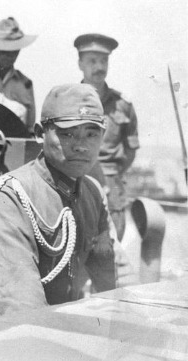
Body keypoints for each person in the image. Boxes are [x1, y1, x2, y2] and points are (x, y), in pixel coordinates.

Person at [0, 83, 116, 322]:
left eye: (91, 134)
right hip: (5, 335)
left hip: (61, 326)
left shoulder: (92, 193)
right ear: (40, 133)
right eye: (67, 134)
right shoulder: (12, 194)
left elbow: (111, 275)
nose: (81, 145)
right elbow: (21, 304)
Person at [74, 33, 139, 241]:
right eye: (92, 61)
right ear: (80, 63)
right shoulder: (67, 101)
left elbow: (130, 150)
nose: (99, 67)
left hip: (111, 189)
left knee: (111, 254)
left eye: (104, 61)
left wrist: (112, 175)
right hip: (75, 181)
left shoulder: (123, 105)